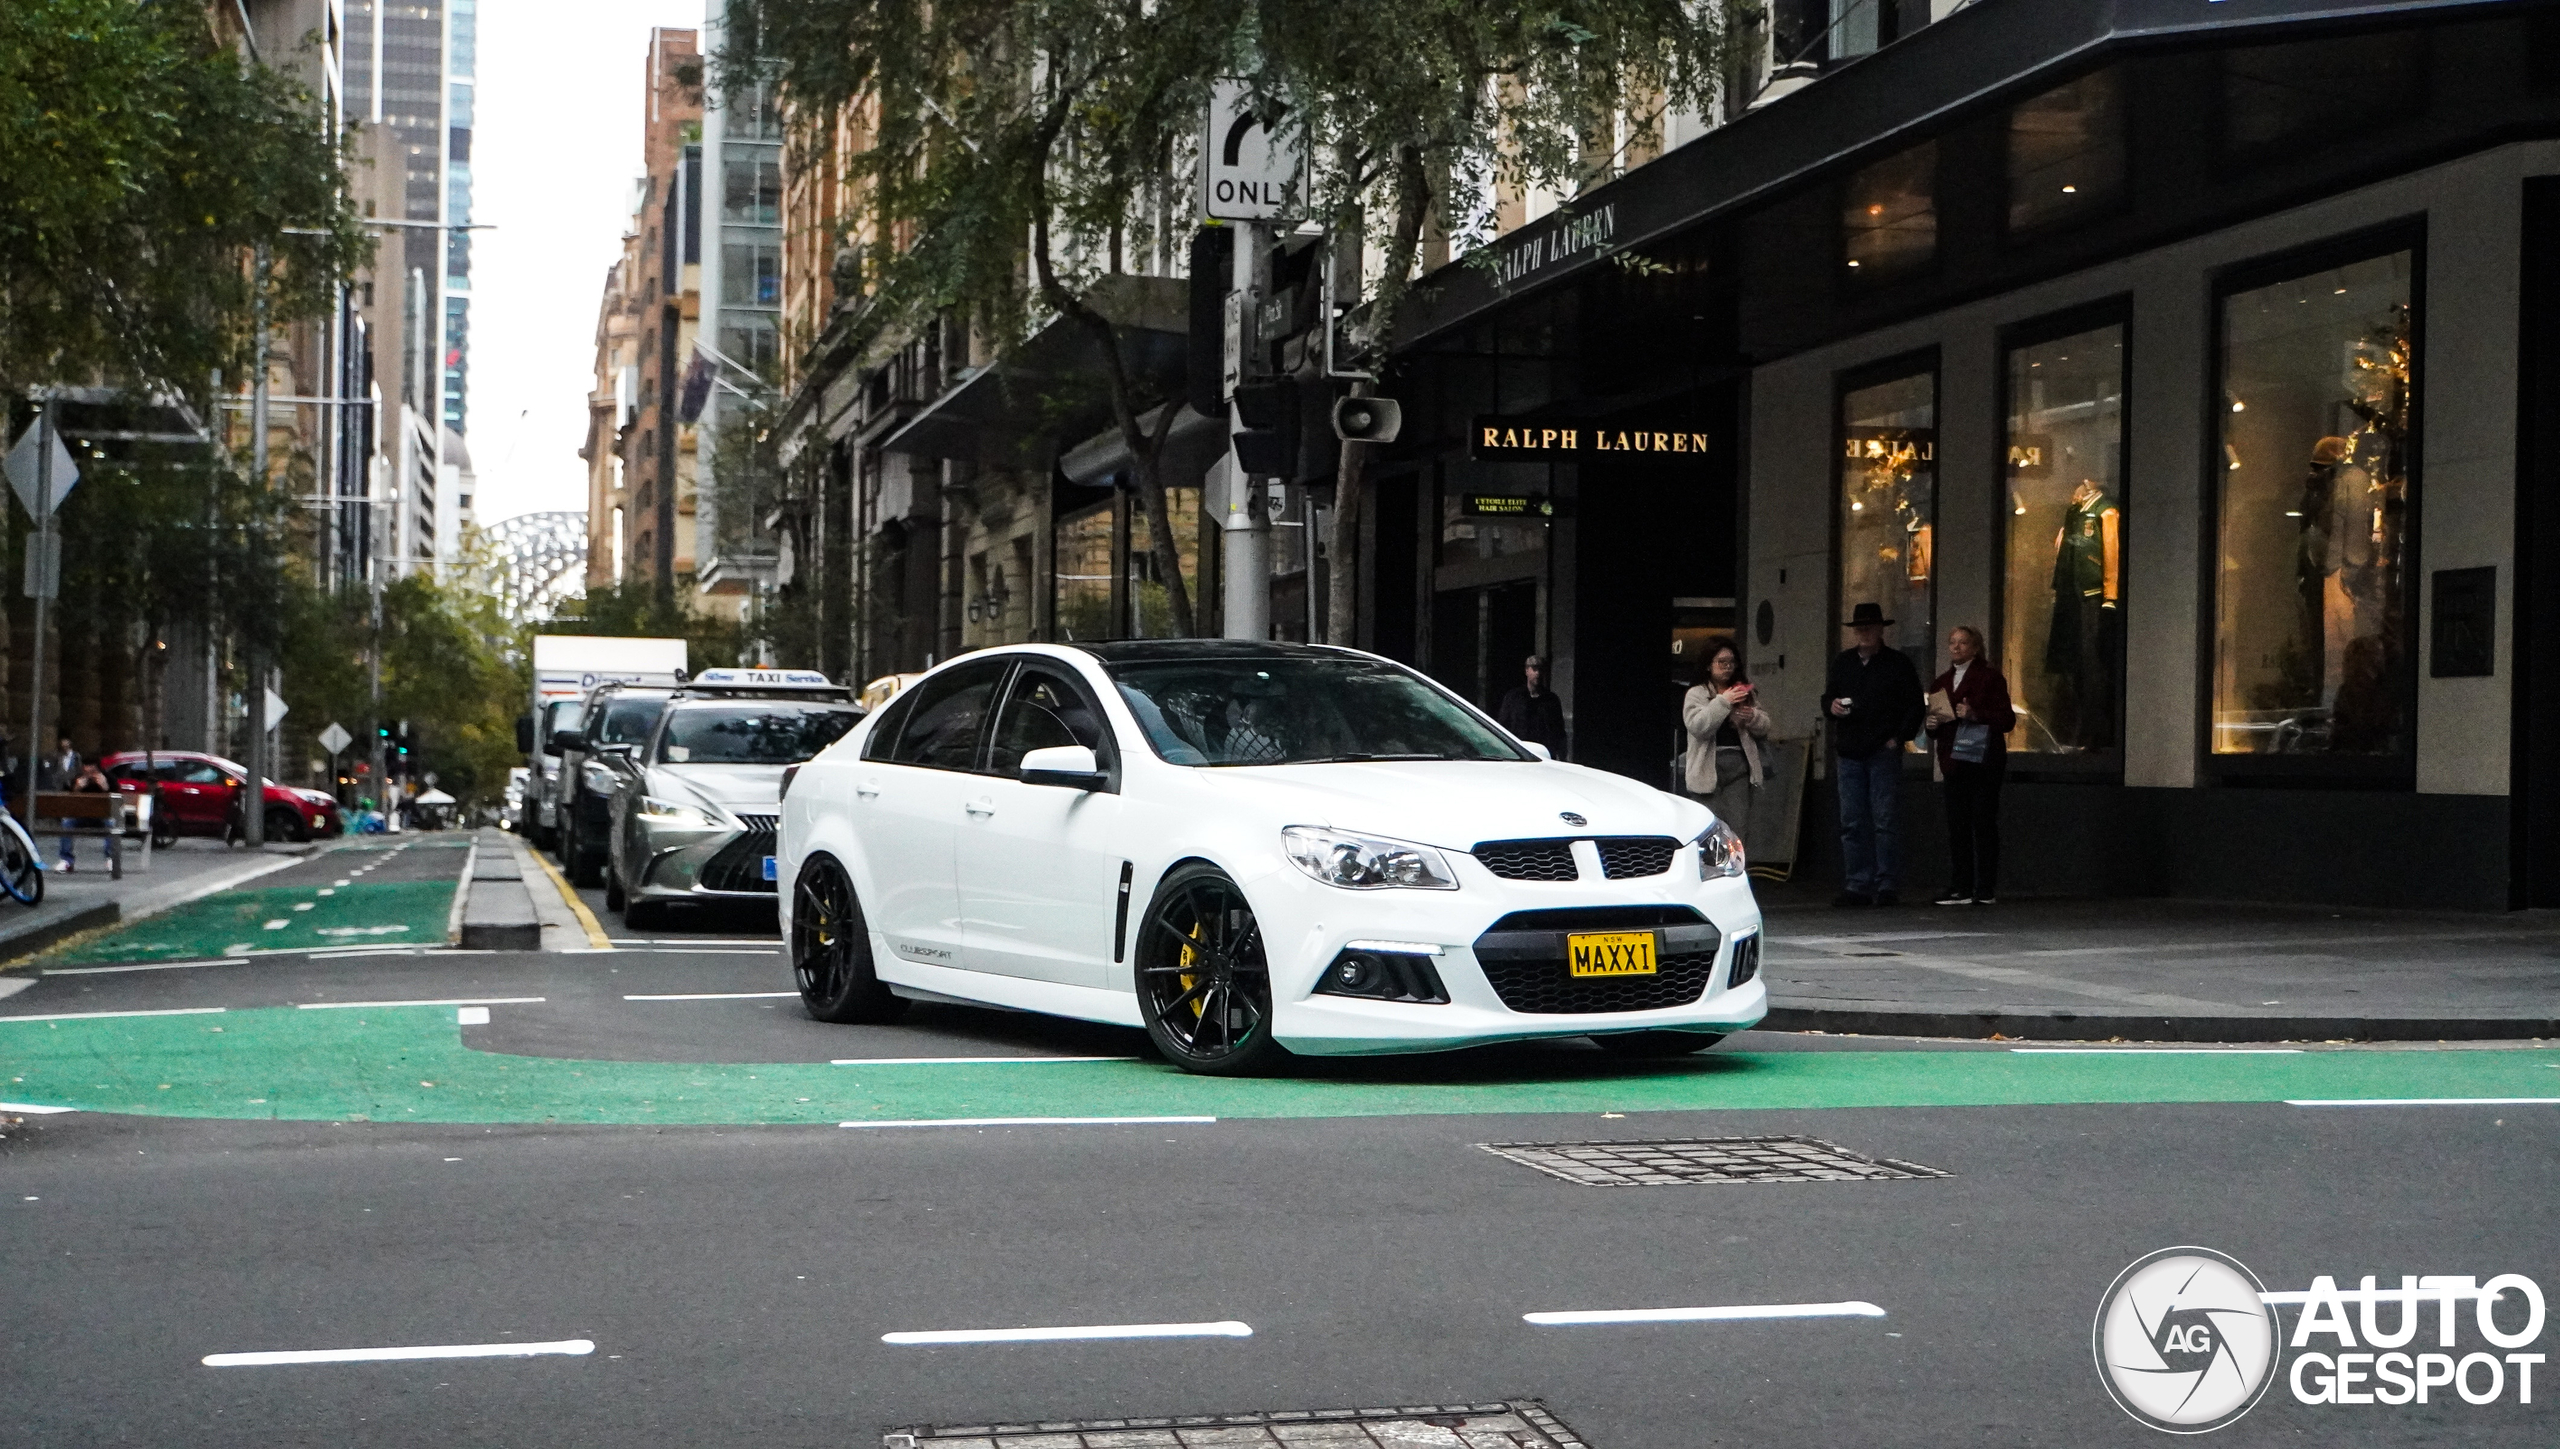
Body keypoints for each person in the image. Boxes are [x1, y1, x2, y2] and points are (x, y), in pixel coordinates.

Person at [1821, 602, 1924, 907]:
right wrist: (1832, 706)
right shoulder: (1843, 663)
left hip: (1882, 750)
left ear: (1881, 630)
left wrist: (1899, 737)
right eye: (1860, 628)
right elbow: (1828, 697)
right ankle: (1858, 884)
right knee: (1852, 821)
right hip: (1850, 751)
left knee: (1884, 819)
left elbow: (1915, 705)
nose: (1864, 633)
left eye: (1869, 627)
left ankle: (1886, 884)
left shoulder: (1897, 664)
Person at [1926, 625, 2016, 905]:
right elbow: (1937, 726)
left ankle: (1985, 887)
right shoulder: (1941, 682)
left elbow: (2007, 720)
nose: (1956, 647)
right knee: (1957, 825)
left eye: (1963, 643)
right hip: (1953, 760)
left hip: (1983, 761)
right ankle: (1960, 885)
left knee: (1983, 822)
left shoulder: (1990, 678)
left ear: (1976, 647)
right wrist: (1930, 725)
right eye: (1952, 642)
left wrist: (1976, 714)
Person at [1681, 637, 1770, 844]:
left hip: (1738, 767)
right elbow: (1697, 726)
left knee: (1738, 829)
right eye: (1721, 662)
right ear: (1709, 665)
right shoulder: (1697, 694)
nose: (1727, 667)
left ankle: (1737, 872)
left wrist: (1751, 718)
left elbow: (1765, 726)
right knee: (1708, 831)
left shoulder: (1743, 691)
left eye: (1731, 662)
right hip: (1707, 769)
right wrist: (1723, 702)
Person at [1495, 654, 1569, 759]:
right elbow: (1503, 725)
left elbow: (1559, 730)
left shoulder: (1551, 700)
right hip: (1519, 753)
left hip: (1545, 755)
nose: (1537, 673)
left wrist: (1562, 755)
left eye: (1540, 670)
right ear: (1527, 671)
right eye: (1534, 669)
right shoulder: (1514, 697)